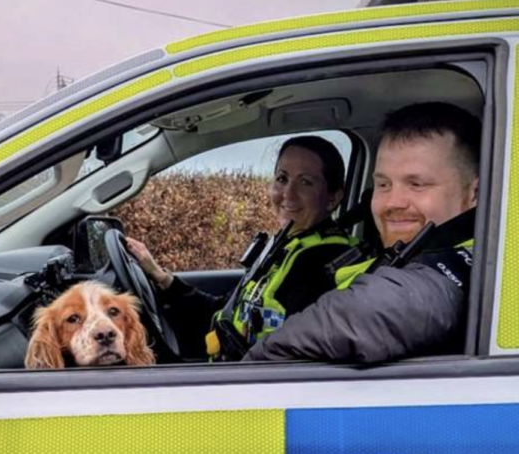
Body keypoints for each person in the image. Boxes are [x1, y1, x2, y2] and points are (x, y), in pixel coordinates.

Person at [243, 101, 480, 363]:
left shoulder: (466, 267)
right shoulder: (402, 255)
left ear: (474, 194)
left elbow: (398, 304)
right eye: (383, 184)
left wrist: (241, 379)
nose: (392, 202)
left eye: (417, 184)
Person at [127, 136, 355, 360]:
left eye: (306, 182)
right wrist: (161, 277)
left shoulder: (323, 264)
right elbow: (224, 311)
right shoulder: (287, 247)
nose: (288, 194)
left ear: (333, 198)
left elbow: (294, 361)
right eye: (282, 179)